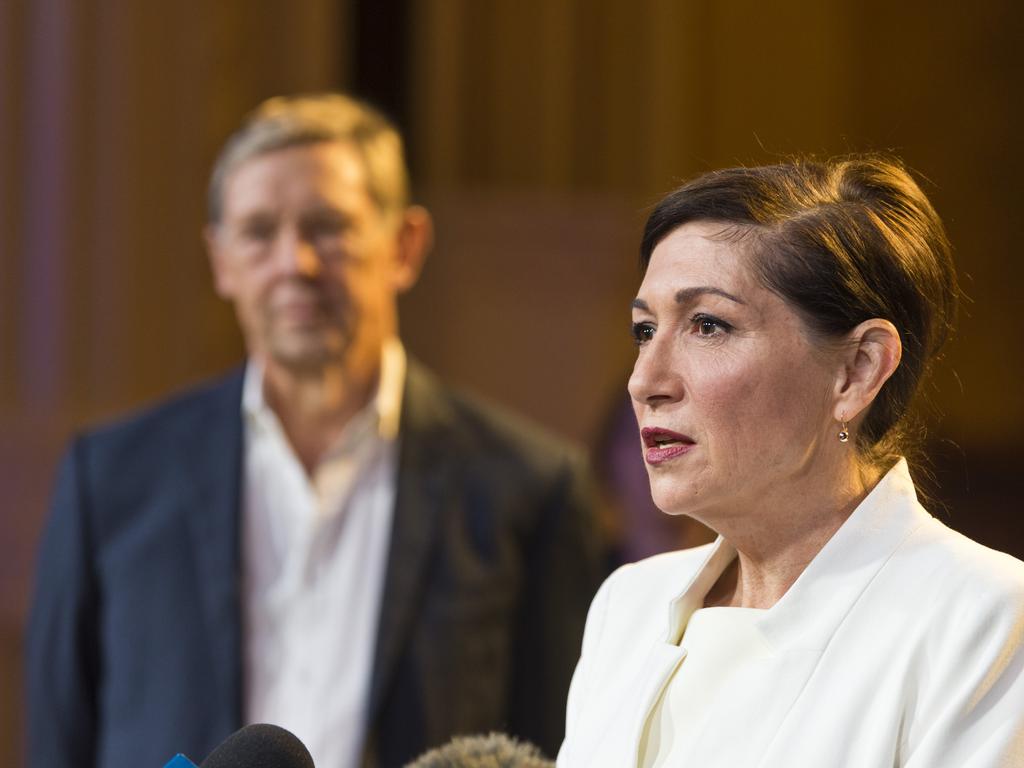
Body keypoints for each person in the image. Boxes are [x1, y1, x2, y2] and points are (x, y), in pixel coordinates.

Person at [27, 93, 604, 768]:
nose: (293, 262)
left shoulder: (530, 488)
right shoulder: (113, 478)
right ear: (221, 260)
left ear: (405, 245)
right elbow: (59, 741)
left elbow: (561, 750)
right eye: (258, 231)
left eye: (327, 226)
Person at [557, 156, 1024, 767]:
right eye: (645, 330)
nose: (645, 381)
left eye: (707, 325)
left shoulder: (982, 619)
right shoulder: (629, 604)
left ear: (857, 370)